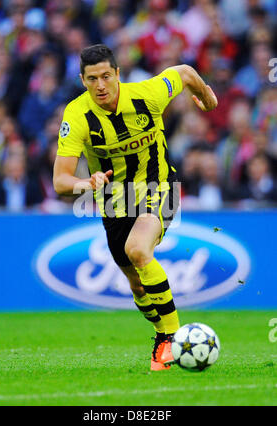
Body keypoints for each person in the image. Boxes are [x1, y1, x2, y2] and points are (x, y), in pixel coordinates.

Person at [53, 44, 217, 371]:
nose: (99, 85)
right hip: (114, 199)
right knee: (137, 285)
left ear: (116, 73)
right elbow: (60, 181)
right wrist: (86, 184)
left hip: (160, 185)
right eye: (91, 79)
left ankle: (171, 338)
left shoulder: (148, 94)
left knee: (138, 249)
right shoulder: (77, 115)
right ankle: (161, 331)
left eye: (104, 76)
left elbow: (184, 72)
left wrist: (208, 97)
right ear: (82, 80)